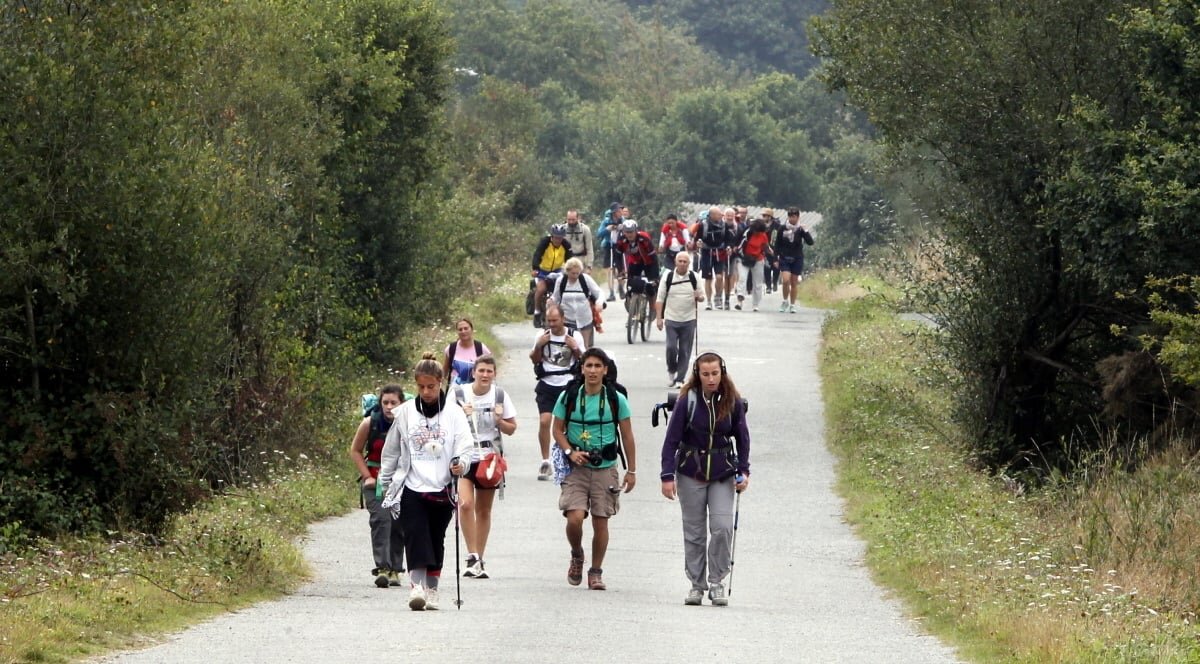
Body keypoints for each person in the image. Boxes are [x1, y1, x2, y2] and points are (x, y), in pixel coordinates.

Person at [378, 352, 474, 611]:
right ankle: (416, 588)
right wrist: (385, 483)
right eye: (421, 387)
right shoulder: (406, 413)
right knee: (415, 534)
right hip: (412, 485)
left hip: (442, 487)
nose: (426, 391)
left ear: (441, 382)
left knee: (435, 538)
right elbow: (391, 451)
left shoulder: (454, 413)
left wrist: (460, 464)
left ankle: (432, 590)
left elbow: (467, 448)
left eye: (431, 386)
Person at [659, 351, 750, 607]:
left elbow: (742, 438)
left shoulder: (732, 401)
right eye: (705, 374)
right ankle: (696, 585)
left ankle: (717, 581)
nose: (711, 379)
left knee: (721, 527)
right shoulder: (688, 400)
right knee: (695, 531)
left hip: (722, 473)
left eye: (715, 373)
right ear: (697, 375)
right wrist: (667, 476)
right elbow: (671, 440)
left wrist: (744, 470)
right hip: (691, 472)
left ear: (722, 373)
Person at [552, 348, 638, 591]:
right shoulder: (568, 396)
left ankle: (596, 571)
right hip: (575, 467)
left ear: (605, 370)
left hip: (606, 467)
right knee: (575, 518)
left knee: (601, 521)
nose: (592, 371)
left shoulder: (615, 399)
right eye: (588, 366)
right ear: (582, 369)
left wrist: (631, 471)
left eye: (597, 366)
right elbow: (557, 430)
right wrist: (571, 452)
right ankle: (577, 554)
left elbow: (628, 436)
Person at [452, 354, 517, 580]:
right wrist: (461, 415)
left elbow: (511, 429)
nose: (485, 375)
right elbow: (447, 424)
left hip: (489, 458)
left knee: (484, 510)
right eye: (481, 371)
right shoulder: (459, 394)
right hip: (465, 455)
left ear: (494, 374)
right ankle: (471, 555)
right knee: (466, 503)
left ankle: (479, 558)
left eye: (489, 371)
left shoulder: (499, 395)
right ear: (474, 372)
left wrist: (499, 420)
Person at [349, 384, 407, 589]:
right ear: (380, 403)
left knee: (398, 524)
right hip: (375, 479)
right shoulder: (369, 423)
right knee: (380, 522)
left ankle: (395, 570)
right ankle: (382, 567)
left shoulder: (408, 424)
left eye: (393, 403)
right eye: (385, 403)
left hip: (400, 481)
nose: (389, 407)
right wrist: (367, 476)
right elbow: (355, 451)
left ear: (402, 404)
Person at [529, 304, 586, 481]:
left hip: (567, 384)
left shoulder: (574, 335)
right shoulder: (542, 335)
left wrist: (575, 348)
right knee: (545, 421)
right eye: (549, 321)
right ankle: (546, 461)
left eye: (555, 320)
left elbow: (584, 360)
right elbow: (534, 359)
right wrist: (539, 346)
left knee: (567, 424)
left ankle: (567, 457)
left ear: (562, 318)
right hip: (547, 383)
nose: (552, 324)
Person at [655, 252, 703, 388]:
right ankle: (671, 369)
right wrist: (659, 318)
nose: (682, 263)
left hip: (689, 319)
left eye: (685, 261)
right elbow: (660, 298)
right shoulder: (668, 277)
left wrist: (698, 296)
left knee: (684, 350)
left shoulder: (694, 277)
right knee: (671, 348)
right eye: (680, 261)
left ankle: (680, 379)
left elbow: (702, 297)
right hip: (671, 318)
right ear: (675, 262)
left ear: (689, 264)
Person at [548, 257, 604, 348]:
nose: (575, 276)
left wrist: (599, 302)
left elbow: (599, 292)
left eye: (578, 273)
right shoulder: (561, 281)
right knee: (568, 347)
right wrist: (551, 301)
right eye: (573, 273)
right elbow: (556, 297)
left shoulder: (585, 279)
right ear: (567, 271)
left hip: (585, 319)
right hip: (567, 320)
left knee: (585, 348)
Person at [689, 206, 734, 311]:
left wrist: (728, 247)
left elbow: (728, 239)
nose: (721, 216)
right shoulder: (703, 225)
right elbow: (697, 238)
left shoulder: (724, 225)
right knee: (708, 278)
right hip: (706, 252)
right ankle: (708, 301)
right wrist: (698, 242)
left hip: (719, 252)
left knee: (719, 277)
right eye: (719, 214)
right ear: (712, 215)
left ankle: (718, 297)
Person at [773, 208, 815, 313]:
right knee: (786, 280)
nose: (792, 218)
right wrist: (775, 258)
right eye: (790, 216)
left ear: (798, 217)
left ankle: (792, 304)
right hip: (784, 257)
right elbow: (777, 244)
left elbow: (810, 242)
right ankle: (784, 301)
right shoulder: (782, 228)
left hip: (797, 257)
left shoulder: (800, 229)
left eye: (794, 216)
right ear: (788, 217)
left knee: (794, 282)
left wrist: (806, 231)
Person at [531, 224, 573, 327]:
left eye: (560, 238)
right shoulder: (545, 242)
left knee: (562, 290)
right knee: (541, 289)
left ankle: (564, 313)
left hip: (557, 271)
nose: (557, 240)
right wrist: (535, 268)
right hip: (543, 270)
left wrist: (570, 271)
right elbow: (537, 255)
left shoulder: (566, 245)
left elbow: (570, 260)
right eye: (555, 237)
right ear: (552, 236)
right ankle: (537, 312)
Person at [733, 211, 775, 312]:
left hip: (758, 259)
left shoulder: (763, 235)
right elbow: (739, 244)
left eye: (760, 232)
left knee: (758, 283)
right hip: (744, 258)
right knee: (742, 278)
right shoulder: (746, 233)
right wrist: (735, 251)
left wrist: (770, 252)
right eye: (757, 231)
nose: (758, 233)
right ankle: (740, 300)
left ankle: (755, 304)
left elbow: (765, 246)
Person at [614, 219, 660, 304]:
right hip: (635, 263)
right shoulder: (621, 241)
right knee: (630, 285)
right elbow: (617, 256)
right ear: (624, 232)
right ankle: (631, 302)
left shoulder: (644, 239)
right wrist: (620, 271)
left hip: (649, 263)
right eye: (627, 232)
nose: (629, 234)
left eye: (631, 232)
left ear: (636, 231)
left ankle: (653, 306)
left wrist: (655, 277)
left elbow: (653, 257)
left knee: (652, 287)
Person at [443, 318, 491, 385]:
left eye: (466, 328)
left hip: (475, 391)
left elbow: (490, 371)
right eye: (460, 329)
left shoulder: (481, 348)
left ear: (471, 330)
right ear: (457, 332)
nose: (463, 331)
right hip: (455, 391)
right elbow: (444, 372)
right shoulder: (451, 348)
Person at [598, 203, 627, 302]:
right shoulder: (606, 221)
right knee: (610, 270)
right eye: (619, 211)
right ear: (614, 212)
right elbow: (599, 233)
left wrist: (623, 228)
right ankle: (611, 292)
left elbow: (628, 230)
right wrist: (608, 229)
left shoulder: (622, 220)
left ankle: (621, 287)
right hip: (608, 246)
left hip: (619, 246)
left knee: (621, 269)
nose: (621, 212)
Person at [562, 209, 594, 273]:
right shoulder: (562, 229)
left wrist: (589, 266)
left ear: (578, 218)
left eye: (573, 219)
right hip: (567, 260)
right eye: (569, 219)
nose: (571, 222)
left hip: (581, 260)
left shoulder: (585, 229)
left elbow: (589, 248)